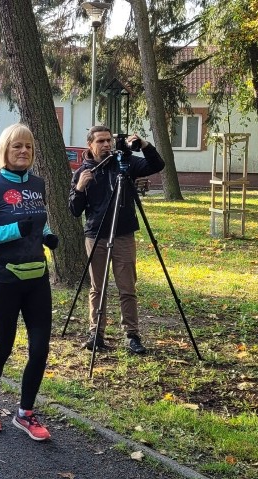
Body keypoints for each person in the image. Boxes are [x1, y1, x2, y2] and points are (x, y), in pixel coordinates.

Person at [0, 123, 59, 442]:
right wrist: (14, 231)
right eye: (16, 146)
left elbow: (37, 222)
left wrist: (46, 236)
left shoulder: (38, 184)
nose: (23, 151)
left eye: (28, 147)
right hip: (5, 279)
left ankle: (26, 413)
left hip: (37, 279)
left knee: (40, 350)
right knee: (3, 347)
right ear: (4, 150)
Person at [68, 125, 165, 355]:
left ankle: (132, 335)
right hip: (95, 235)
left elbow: (157, 165)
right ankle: (96, 334)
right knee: (97, 288)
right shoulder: (83, 171)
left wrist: (144, 145)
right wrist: (80, 188)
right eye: (100, 141)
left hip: (123, 234)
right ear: (90, 144)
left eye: (108, 140)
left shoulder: (125, 164)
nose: (106, 145)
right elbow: (73, 209)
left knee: (127, 287)